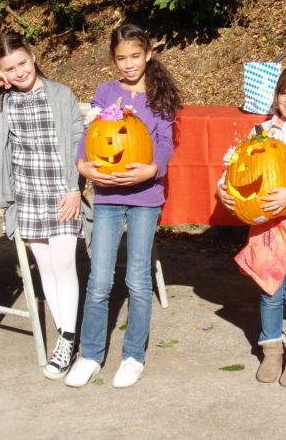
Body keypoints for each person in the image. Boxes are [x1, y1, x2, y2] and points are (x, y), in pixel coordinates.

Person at [66, 23, 181, 389]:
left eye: (135, 56)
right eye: (121, 58)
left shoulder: (160, 95)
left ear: (148, 54)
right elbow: (90, 137)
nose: (129, 64)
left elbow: (164, 143)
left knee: (137, 278)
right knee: (99, 280)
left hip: (146, 198)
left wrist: (153, 168)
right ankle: (90, 354)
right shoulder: (106, 92)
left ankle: (133, 356)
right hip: (108, 197)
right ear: (113, 61)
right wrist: (82, 166)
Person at [0, 33, 84, 381]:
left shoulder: (60, 95)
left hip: (61, 192)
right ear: (0, 73)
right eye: (8, 68)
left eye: (22, 63)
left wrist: (75, 189)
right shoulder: (3, 104)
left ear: (33, 56)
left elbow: (79, 142)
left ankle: (67, 337)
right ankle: (66, 335)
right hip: (27, 195)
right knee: (45, 267)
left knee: (65, 263)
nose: (18, 72)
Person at [218, 63, 286, 387]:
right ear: (276, 93)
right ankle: (270, 352)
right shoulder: (261, 130)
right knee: (269, 290)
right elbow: (239, 164)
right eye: (285, 93)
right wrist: (222, 187)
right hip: (265, 225)